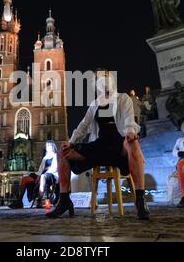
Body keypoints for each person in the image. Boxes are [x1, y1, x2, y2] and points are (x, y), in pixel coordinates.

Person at [47, 69, 150, 220]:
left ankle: (140, 200)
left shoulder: (123, 98)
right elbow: (83, 125)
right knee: (63, 152)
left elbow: (129, 119)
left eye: (106, 79)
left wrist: (130, 133)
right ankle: (64, 200)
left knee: (133, 144)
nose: (104, 83)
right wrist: (71, 142)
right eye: (100, 81)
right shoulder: (95, 104)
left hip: (119, 145)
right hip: (99, 146)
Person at [9, 140, 58, 209]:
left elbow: (54, 168)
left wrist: (43, 173)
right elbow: (40, 170)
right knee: (25, 178)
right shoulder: (45, 158)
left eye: (49, 146)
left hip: (51, 176)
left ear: (53, 147)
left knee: (43, 176)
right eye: (46, 146)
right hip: (41, 175)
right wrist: (36, 175)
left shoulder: (56, 156)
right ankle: (19, 201)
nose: (47, 147)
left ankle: (40, 201)